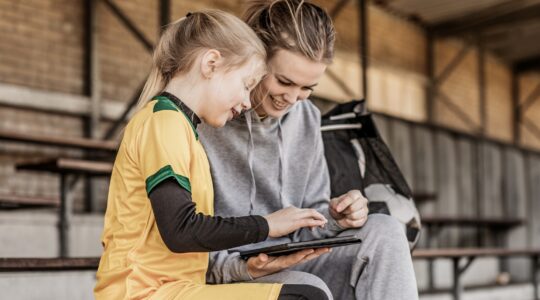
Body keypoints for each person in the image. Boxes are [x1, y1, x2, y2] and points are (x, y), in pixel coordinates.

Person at [94, 10, 332, 300]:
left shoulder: (184, 130)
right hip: (143, 291)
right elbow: (180, 230)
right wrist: (268, 224)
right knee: (305, 297)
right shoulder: (163, 122)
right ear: (211, 64)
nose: (247, 101)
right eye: (246, 85)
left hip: (180, 288)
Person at [199, 1, 419, 299]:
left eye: (307, 88)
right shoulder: (206, 118)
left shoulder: (307, 118)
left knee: (386, 232)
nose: (292, 98)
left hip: (293, 261)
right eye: (284, 81)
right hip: (230, 272)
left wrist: (334, 218)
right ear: (254, 58)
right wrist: (242, 267)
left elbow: (308, 222)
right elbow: (185, 232)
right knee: (306, 289)